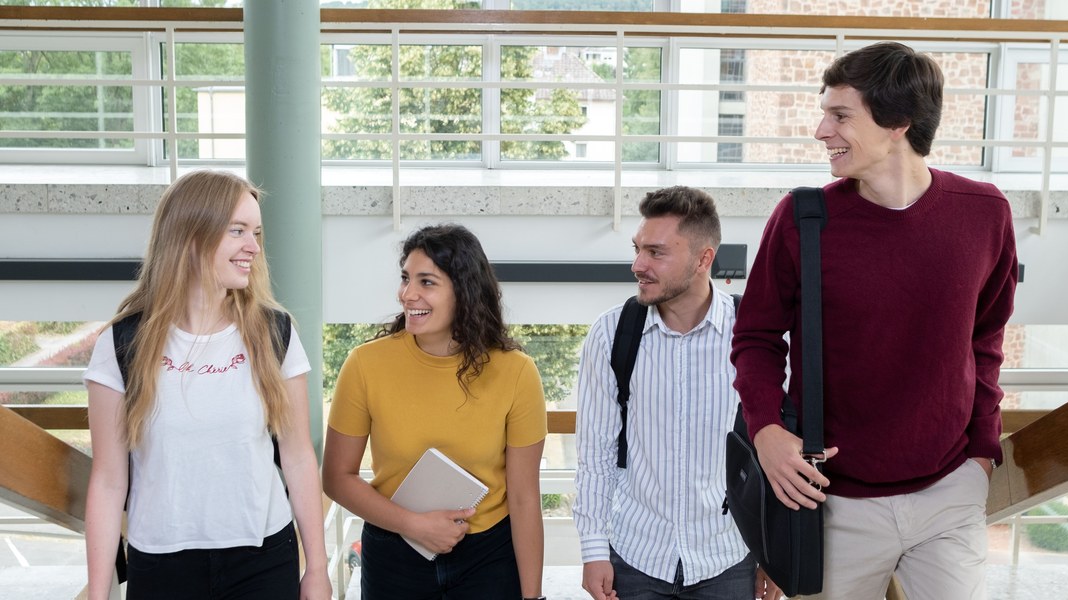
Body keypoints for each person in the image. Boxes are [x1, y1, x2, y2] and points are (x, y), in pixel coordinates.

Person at [731, 41, 1019, 600]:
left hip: (950, 493)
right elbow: (756, 337)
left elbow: (986, 337)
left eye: (840, 115)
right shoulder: (802, 219)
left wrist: (982, 451)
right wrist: (766, 430)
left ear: (898, 124)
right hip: (832, 502)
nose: (821, 131)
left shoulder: (986, 214)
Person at [83, 170, 332, 600]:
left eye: (256, 232)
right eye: (238, 230)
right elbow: (108, 481)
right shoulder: (122, 343)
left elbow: (297, 458)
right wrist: (98, 592)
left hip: (264, 560)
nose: (254, 246)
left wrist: (318, 567)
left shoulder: (276, 332)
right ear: (191, 236)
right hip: (160, 565)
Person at [574, 186, 780, 600]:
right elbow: (595, 453)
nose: (638, 265)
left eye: (656, 252)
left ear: (704, 259)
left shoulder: (756, 337)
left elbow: (779, 453)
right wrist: (593, 550)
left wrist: (775, 551)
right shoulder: (611, 334)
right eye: (638, 249)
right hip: (636, 555)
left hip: (728, 554)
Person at [322, 224, 548, 600]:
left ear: (465, 291)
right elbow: (336, 477)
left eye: (426, 282)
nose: (407, 294)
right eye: (405, 278)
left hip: (489, 558)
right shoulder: (364, 364)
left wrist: (533, 597)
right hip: (393, 553)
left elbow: (524, 498)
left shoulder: (517, 372)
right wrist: (413, 525)